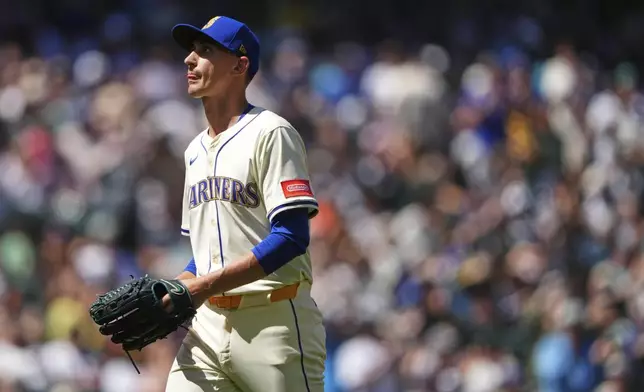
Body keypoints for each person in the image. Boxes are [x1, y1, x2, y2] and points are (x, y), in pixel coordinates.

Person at [163, 15, 326, 392]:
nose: (190, 59)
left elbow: (290, 236)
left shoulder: (272, 132)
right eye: (191, 50)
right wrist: (175, 290)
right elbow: (205, 256)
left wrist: (200, 287)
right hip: (206, 329)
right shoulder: (193, 150)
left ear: (240, 65)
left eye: (205, 51)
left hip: (272, 324)